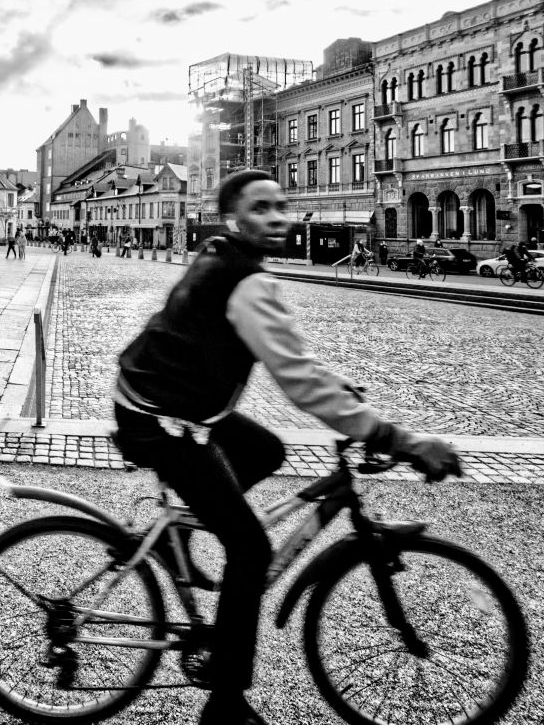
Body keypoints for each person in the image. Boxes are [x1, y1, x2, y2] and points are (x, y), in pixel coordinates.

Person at [111, 169, 462, 725]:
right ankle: (224, 706)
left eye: (281, 205)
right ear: (233, 219)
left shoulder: (222, 255)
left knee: (267, 451)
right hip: (162, 419)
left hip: (171, 401)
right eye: (261, 208)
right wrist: (394, 436)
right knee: (249, 549)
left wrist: (343, 395)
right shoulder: (245, 281)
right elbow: (296, 378)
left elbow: (294, 359)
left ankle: (181, 522)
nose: (277, 217)